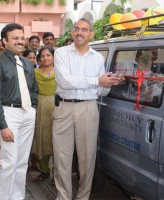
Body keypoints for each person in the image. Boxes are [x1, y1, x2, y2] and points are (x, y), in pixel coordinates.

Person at [52, 18, 124, 200]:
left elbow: (100, 91)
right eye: (76, 29)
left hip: (89, 108)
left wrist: (110, 82)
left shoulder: (98, 58)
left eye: (84, 29)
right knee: (62, 158)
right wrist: (96, 81)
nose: (79, 32)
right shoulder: (60, 54)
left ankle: (83, 197)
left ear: (91, 34)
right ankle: (63, 197)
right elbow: (65, 82)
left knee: (87, 158)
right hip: (65, 108)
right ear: (72, 33)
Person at [0, 23, 39, 200]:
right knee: (9, 162)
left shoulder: (26, 62)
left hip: (27, 114)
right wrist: (2, 124)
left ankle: (17, 197)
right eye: (15, 38)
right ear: (4, 41)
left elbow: (33, 88)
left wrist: (33, 108)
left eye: (22, 38)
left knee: (23, 161)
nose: (20, 41)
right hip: (8, 114)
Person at [31, 46, 56, 181]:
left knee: (56, 140)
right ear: (39, 59)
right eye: (43, 56)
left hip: (57, 108)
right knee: (41, 139)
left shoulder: (60, 72)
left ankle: (57, 172)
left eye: (48, 55)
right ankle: (45, 170)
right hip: (40, 109)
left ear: (53, 57)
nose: (45, 58)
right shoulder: (35, 73)